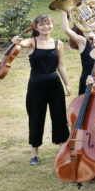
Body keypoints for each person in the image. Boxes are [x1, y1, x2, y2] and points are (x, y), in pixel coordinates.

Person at [15, 14, 69, 166]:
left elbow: (61, 65)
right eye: (42, 24)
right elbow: (22, 43)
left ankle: (62, 151)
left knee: (59, 117)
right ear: (36, 27)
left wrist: (67, 84)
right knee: (36, 117)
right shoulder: (32, 42)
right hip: (36, 85)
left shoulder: (58, 43)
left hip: (55, 85)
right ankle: (34, 154)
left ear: (52, 25)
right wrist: (18, 41)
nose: (46, 27)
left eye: (49, 23)